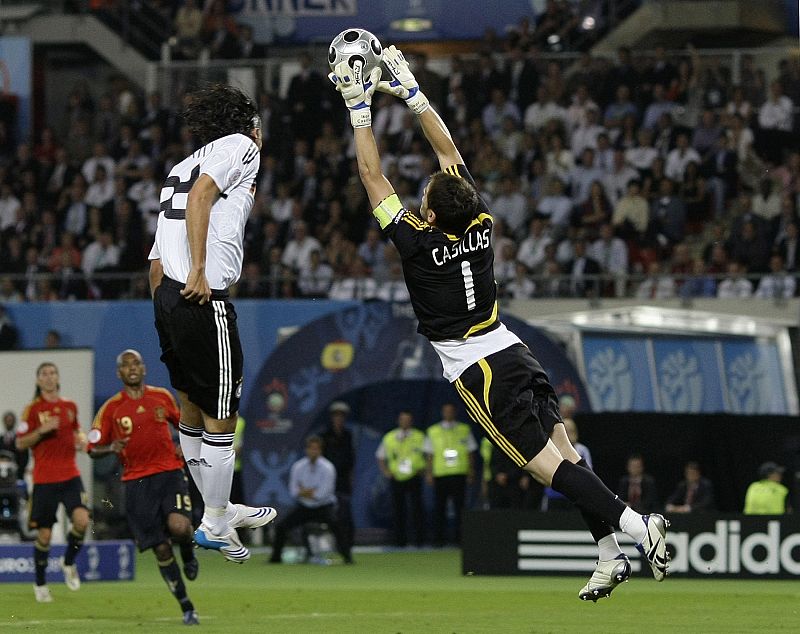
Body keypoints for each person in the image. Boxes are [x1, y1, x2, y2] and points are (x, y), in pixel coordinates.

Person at [330, 46, 669, 601]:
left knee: (546, 469)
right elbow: (450, 156)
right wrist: (413, 94)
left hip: (478, 366)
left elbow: (371, 173)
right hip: (514, 348)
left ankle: (637, 526)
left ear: (432, 215)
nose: (418, 199)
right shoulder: (481, 219)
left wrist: (358, 108)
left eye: (422, 199)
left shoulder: (415, 243)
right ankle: (610, 556)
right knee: (567, 456)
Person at [148, 83, 276, 564]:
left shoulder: (180, 165)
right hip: (203, 298)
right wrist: (201, 269)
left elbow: (157, 258)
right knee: (222, 412)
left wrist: (164, 312)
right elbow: (203, 197)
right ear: (250, 126)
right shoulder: (241, 147)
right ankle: (216, 521)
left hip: (167, 297)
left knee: (191, 408)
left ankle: (216, 509)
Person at [87, 350, 200, 626]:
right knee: (161, 549)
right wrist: (109, 448)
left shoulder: (161, 397)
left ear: (144, 368)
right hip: (136, 482)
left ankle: (188, 552)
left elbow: (185, 425)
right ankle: (186, 606)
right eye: (125, 365)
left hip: (169, 473)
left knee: (180, 527)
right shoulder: (111, 409)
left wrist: (185, 447)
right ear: (119, 374)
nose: (131, 368)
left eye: (136, 362)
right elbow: (92, 448)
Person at [15, 362, 90, 603]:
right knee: (45, 536)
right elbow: (20, 443)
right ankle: (40, 583)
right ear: (38, 381)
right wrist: (42, 431)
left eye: (53, 373)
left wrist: (81, 439)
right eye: (44, 374)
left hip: (70, 475)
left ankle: (68, 562)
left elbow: (77, 431)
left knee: (82, 520)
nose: (49, 377)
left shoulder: (70, 406)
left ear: (58, 378)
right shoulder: (32, 410)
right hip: (44, 479)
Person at [269, 435, 353, 564]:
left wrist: (305, 491)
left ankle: (347, 557)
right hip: (304, 507)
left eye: (316, 449)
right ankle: (275, 558)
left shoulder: (328, 468)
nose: (313, 451)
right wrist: (310, 491)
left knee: (338, 526)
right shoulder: (298, 466)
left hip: (324, 507)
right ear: (306, 450)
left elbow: (324, 493)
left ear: (320, 450)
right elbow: (293, 491)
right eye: (311, 448)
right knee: (281, 526)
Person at [424, 403, 477, 546]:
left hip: (458, 473)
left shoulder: (464, 429)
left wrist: (471, 471)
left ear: (455, 412)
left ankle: (460, 539)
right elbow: (429, 454)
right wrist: (429, 473)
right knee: (439, 507)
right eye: (446, 411)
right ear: (442, 412)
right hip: (440, 474)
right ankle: (439, 540)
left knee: (460, 508)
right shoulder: (433, 431)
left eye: (451, 411)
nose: (448, 413)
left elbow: (470, 452)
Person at [376, 410, 426, 547]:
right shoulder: (390, 437)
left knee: (417, 509)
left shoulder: (419, 436)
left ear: (411, 421)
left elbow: (430, 453)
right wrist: (386, 472)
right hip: (397, 477)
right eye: (402, 419)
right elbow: (380, 456)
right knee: (398, 510)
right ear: (399, 421)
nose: (405, 422)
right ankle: (400, 541)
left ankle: (419, 541)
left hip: (414, 476)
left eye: (407, 419)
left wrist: (424, 469)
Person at [320, 401, 355, 559]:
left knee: (345, 515)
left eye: (342, 416)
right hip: (327, 482)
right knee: (329, 516)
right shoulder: (324, 436)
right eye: (336, 416)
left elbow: (351, 459)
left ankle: (347, 546)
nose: (338, 419)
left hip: (343, 481)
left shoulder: (348, 435)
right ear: (332, 417)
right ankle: (329, 545)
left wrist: (350, 477)